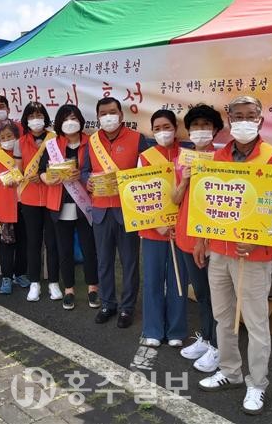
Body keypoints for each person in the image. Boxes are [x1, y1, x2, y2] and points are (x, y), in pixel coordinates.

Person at [197, 96, 272, 416]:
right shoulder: (219, 157)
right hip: (219, 251)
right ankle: (230, 371)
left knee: (255, 322)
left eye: (251, 116)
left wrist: (260, 241)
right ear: (230, 120)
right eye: (238, 116)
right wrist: (202, 240)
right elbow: (208, 204)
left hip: (255, 257)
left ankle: (257, 383)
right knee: (223, 316)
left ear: (261, 120)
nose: (245, 121)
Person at [81, 97, 148, 328]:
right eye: (103, 113)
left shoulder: (137, 139)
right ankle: (108, 304)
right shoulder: (92, 141)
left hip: (127, 211)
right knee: (104, 261)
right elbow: (84, 171)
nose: (108, 117)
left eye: (112, 112)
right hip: (100, 210)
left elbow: (148, 171)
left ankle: (127, 308)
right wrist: (87, 182)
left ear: (121, 115)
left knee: (129, 262)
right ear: (98, 117)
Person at [173, 104, 223, 371]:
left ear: (215, 129)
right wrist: (185, 181)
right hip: (184, 235)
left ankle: (218, 346)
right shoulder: (182, 159)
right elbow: (174, 199)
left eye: (206, 125)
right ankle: (205, 337)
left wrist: (204, 239)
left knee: (217, 295)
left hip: (209, 239)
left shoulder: (223, 159)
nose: (200, 131)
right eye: (195, 126)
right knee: (201, 293)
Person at [39, 104, 99, 310]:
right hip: (60, 202)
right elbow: (41, 172)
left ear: (81, 120)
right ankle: (69, 290)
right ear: (59, 123)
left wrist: (83, 177)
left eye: (73, 118)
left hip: (85, 204)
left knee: (89, 248)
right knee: (64, 249)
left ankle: (93, 288)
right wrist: (50, 178)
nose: (69, 122)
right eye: (65, 119)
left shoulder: (92, 143)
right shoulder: (52, 145)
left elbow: (97, 171)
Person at [138, 109, 187, 346]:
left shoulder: (188, 155)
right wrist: (157, 224)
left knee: (178, 279)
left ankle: (177, 331)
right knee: (153, 279)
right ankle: (152, 330)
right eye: (156, 129)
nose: (162, 132)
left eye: (166, 127)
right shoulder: (145, 156)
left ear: (175, 128)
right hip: (153, 230)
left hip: (181, 230)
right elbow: (140, 193)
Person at [14, 102, 60, 302]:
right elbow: (17, 171)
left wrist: (45, 175)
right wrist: (24, 176)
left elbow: (61, 166)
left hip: (51, 195)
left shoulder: (55, 139)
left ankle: (53, 282)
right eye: (31, 116)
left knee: (52, 242)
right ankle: (34, 282)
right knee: (33, 242)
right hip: (30, 198)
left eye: (39, 115)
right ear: (26, 119)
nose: (36, 119)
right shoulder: (20, 142)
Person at [0, 120, 30, 294]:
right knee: (6, 244)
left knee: (23, 243)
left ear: (17, 136)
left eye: (9, 136)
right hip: (5, 208)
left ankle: (20, 274)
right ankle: (6, 277)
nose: (6, 139)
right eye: (3, 137)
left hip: (25, 205)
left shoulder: (25, 155)